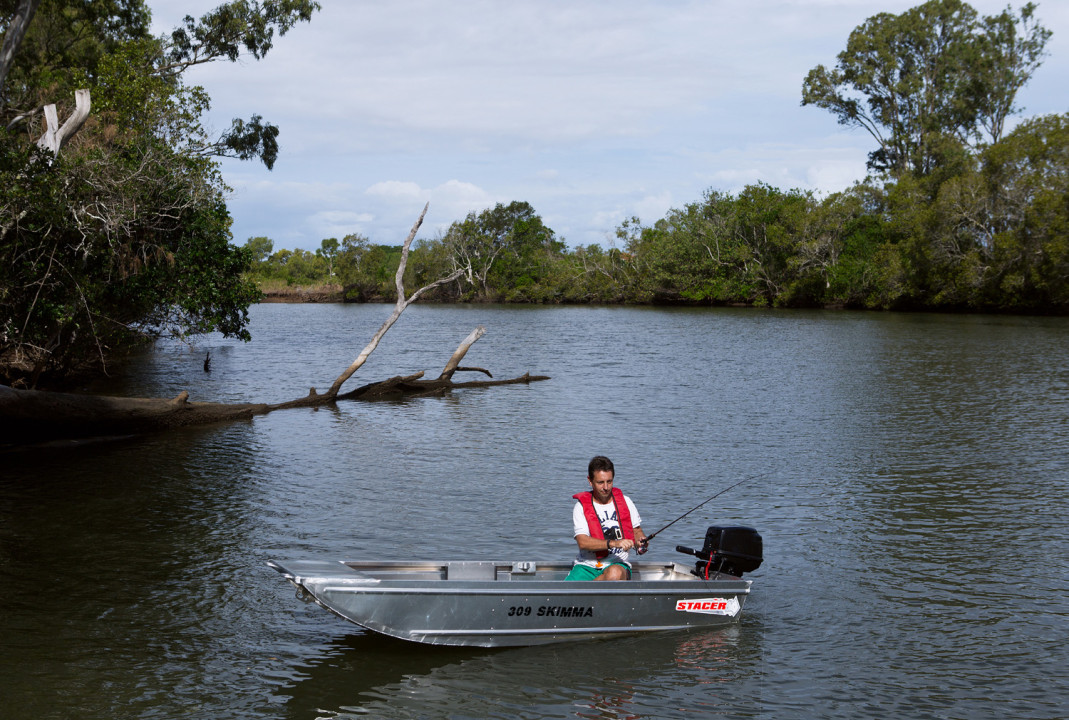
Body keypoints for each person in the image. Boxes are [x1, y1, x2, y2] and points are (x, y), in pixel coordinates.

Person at [566, 456, 648, 581]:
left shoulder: (626, 502)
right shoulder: (580, 506)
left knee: (613, 573)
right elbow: (582, 542)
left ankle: (582, 594)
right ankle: (584, 593)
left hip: (617, 564)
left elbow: (636, 531)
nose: (606, 487)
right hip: (586, 567)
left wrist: (641, 542)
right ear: (590, 481)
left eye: (609, 482)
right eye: (600, 482)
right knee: (562, 592)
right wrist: (614, 543)